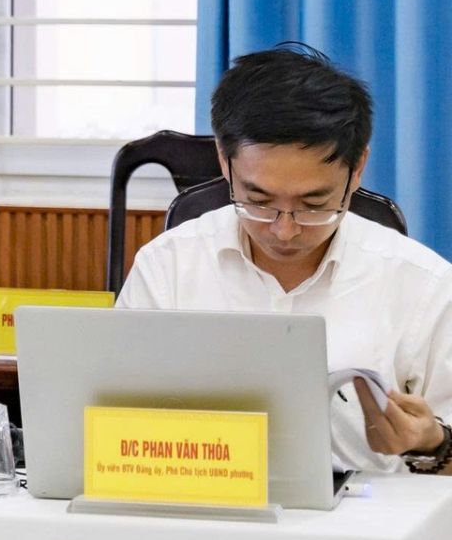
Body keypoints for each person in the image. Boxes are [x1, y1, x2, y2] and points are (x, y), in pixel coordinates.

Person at [119, 46, 452, 473]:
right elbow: (112, 420)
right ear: (225, 161)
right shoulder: (167, 267)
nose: (285, 230)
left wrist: (432, 443)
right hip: (198, 499)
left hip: (366, 510)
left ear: (358, 168)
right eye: (258, 201)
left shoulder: (423, 284)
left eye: (314, 204)